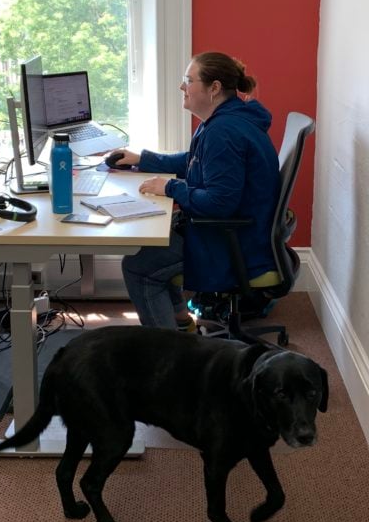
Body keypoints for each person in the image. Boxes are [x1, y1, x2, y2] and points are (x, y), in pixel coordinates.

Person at [114, 51, 280, 330]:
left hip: (233, 242)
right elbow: (194, 160)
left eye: (188, 80)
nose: (182, 87)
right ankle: (181, 322)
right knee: (151, 247)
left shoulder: (222, 132)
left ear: (214, 88)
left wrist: (169, 187)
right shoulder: (228, 119)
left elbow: (219, 202)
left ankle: (170, 356)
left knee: (138, 266)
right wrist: (144, 159)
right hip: (240, 232)